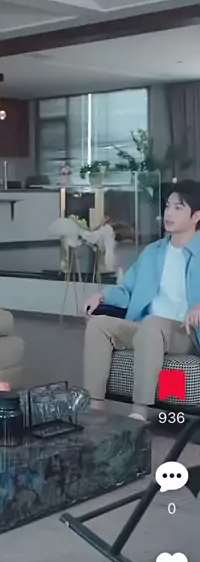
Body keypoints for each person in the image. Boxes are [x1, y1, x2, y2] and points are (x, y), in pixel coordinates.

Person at [83, 179, 200, 421]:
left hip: (185, 332)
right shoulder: (153, 252)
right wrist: (102, 295)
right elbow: (127, 289)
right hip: (147, 327)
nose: (169, 213)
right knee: (99, 325)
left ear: (196, 216)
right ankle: (95, 407)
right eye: (167, 206)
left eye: (178, 208)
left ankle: (139, 412)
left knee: (152, 324)